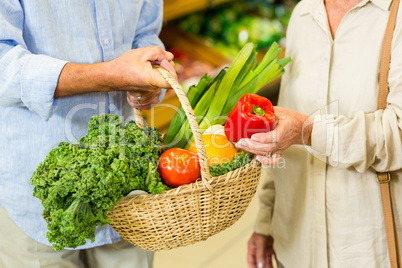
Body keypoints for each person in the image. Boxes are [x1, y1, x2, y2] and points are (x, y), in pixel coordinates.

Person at [0, 1, 176, 267]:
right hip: (37, 200)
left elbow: (145, 33)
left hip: (127, 190)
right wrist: (112, 75)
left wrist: (149, 75)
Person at [236, 0, 402, 267]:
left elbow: (398, 134)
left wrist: (308, 131)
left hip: (366, 249)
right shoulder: (303, 15)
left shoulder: (395, 16)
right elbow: (282, 131)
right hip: (296, 245)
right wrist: (266, 221)